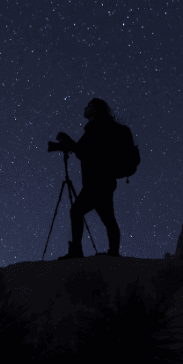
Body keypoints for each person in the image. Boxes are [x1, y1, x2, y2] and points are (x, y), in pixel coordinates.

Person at [54, 98, 124, 260]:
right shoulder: (103, 127)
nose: (84, 108)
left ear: (95, 110)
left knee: (77, 211)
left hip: (96, 183)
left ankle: (77, 251)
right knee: (108, 218)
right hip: (104, 181)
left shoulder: (96, 128)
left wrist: (69, 142)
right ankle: (114, 253)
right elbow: (86, 151)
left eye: (88, 106)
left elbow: (86, 152)